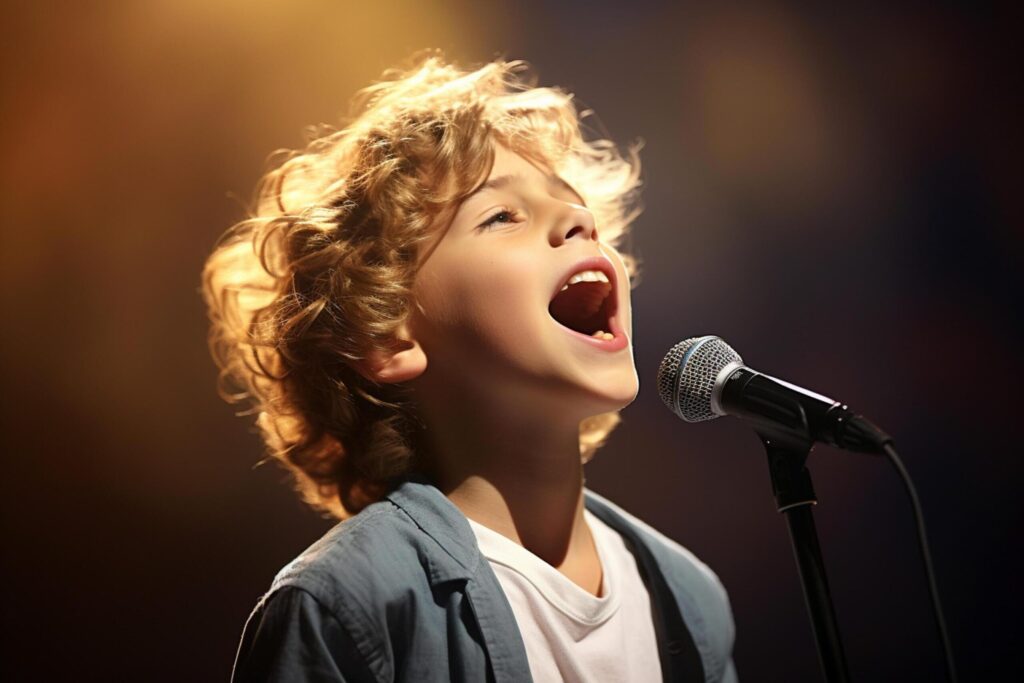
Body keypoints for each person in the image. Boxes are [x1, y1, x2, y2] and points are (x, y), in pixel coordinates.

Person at [202, 51, 737, 682]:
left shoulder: (688, 600)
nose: (580, 220)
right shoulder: (351, 608)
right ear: (389, 335)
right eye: (502, 216)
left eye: (574, 205)